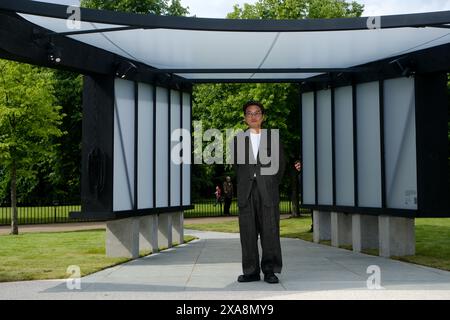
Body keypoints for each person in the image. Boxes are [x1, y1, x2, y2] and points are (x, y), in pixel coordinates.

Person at [232, 101, 286, 284]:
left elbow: (281, 166)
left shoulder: (273, 138)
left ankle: (270, 271)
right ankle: (250, 271)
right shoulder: (238, 139)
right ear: (245, 118)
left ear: (262, 116)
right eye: (249, 113)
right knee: (247, 233)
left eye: (257, 113)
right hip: (246, 193)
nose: (253, 116)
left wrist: (270, 183)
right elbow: (237, 167)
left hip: (267, 192)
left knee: (270, 233)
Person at [294, 159, 313, 232]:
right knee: (312, 211)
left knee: (313, 211)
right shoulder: (299, 175)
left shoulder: (307, 173)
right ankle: (313, 225)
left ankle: (314, 226)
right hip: (308, 195)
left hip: (311, 194)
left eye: (298, 165)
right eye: (296, 166)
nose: (297, 167)